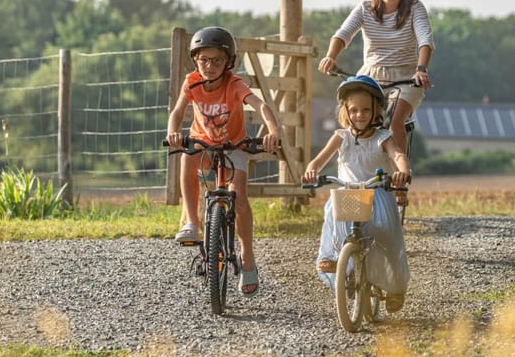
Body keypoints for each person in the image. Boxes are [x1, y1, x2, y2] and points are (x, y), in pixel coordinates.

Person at [166, 26, 281, 296]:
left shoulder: (234, 84)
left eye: (217, 60)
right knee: (187, 158)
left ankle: (248, 258)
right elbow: (177, 112)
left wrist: (273, 131)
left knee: (238, 197)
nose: (209, 66)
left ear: (228, 62)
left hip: (233, 145)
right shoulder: (191, 82)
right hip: (203, 143)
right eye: (204, 59)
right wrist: (173, 132)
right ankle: (192, 224)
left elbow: (261, 105)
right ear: (195, 59)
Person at [302, 75, 411, 313]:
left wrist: (402, 171)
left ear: (376, 111)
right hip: (348, 193)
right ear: (345, 111)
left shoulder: (383, 137)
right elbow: (319, 161)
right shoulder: (341, 136)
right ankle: (334, 258)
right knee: (332, 211)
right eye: (354, 110)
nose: (359, 115)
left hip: (377, 194)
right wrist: (311, 171)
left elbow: (397, 155)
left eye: (365, 110)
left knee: (388, 237)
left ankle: (394, 287)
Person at [317, 0, 435, 157]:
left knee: (395, 121)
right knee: (355, 118)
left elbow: (425, 39)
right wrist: (330, 56)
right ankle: (354, 168)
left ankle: (399, 177)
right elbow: (343, 34)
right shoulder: (365, 8)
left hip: (406, 77)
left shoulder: (414, 8)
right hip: (371, 76)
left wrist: (421, 69)